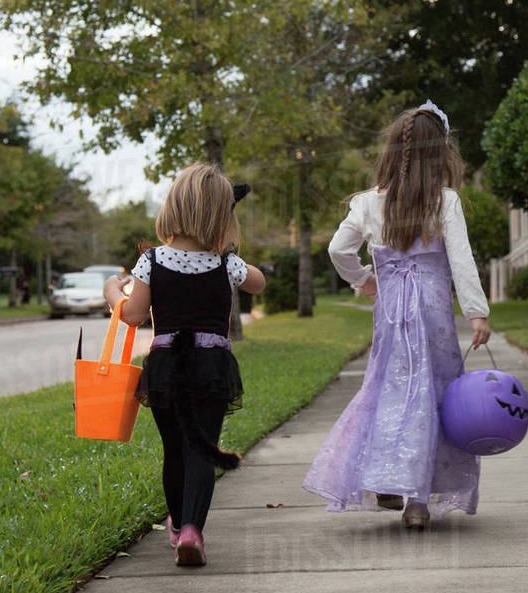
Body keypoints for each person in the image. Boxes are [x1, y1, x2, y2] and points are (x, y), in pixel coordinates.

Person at [302, 101, 491, 530]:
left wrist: (365, 280)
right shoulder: (446, 201)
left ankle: (386, 476)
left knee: (390, 391)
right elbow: (461, 261)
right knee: (433, 396)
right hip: (434, 314)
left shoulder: (369, 203)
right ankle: (417, 502)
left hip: (391, 312)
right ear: (441, 154)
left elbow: (337, 250)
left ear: (392, 152)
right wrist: (477, 312)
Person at [103, 164, 266, 566]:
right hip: (211, 365)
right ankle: (193, 528)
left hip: (166, 368)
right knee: (202, 450)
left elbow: (134, 315)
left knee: (174, 448)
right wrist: (234, 259)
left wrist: (112, 292)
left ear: (173, 208)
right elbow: (258, 283)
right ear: (223, 216)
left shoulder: (151, 260)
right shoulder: (225, 263)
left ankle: (176, 523)